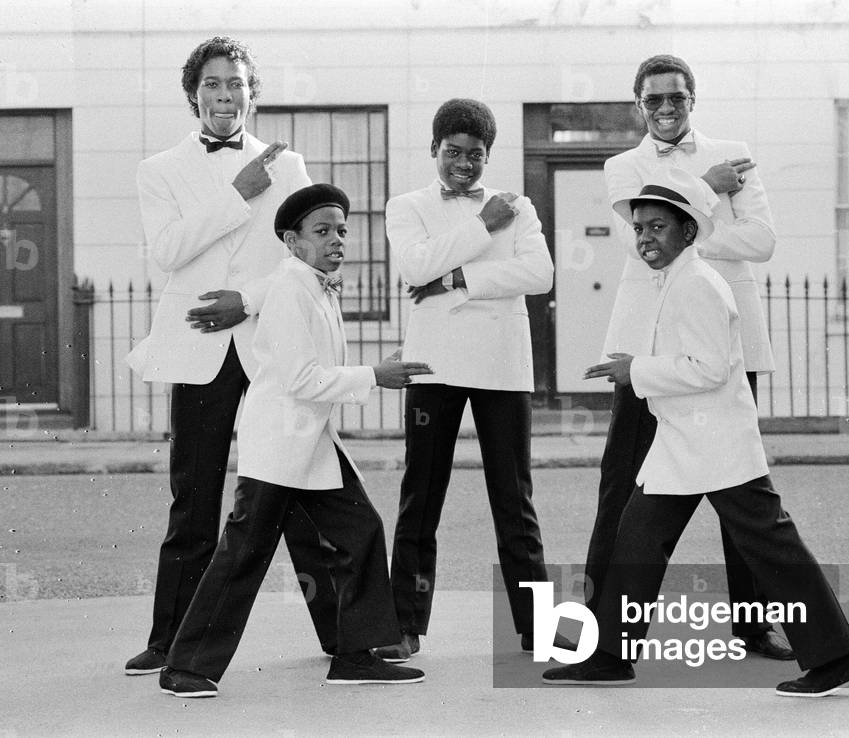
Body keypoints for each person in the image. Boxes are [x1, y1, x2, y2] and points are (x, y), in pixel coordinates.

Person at [544, 175, 849, 696]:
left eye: (658, 226)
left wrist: (638, 371)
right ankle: (608, 656)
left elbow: (711, 368)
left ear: (689, 231)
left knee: (773, 547)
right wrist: (640, 369)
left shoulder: (697, 283)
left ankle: (837, 658)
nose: (645, 237)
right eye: (639, 227)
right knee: (636, 540)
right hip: (682, 442)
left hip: (717, 444)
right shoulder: (673, 279)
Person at [159, 183, 432, 697]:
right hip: (281, 449)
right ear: (292, 240)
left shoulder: (314, 283)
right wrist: (375, 375)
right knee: (244, 553)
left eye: (342, 230)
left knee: (362, 531)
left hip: (312, 447)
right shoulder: (290, 287)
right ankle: (185, 669)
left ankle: (354, 656)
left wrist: (374, 370)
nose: (337, 240)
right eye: (322, 230)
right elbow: (301, 379)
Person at [124, 36, 342, 675]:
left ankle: (338, 634)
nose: (226, 96)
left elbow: (297, 257)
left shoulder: (289, 164)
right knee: (193, 497)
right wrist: (240, 191)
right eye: (214, 85)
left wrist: (245, 300)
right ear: (194, 93)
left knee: (298, 484)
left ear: (253, 93)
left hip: (274, 341)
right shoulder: (158, 169)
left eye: (237, 85)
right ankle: (171, 640)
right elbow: (168, 252)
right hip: (198, 347)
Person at [583, 53, 791, 660]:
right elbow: (634, 240)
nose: (666, 108)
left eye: (677, 97)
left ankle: (753, 626)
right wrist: (707, 191)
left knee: (738, 484)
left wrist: (685, 231)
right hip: (644, 343)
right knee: (621, 482)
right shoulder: (622, 165)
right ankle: (599, 628)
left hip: (724, 334)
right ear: (639, 104)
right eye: (654, 100)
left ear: (692, 98)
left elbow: (764, 241)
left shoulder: (735, 150)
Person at [374, 98, 566, 661]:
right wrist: (484, 227)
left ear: (489, 155)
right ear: (434, 149)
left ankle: (539, 629)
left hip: (502, 366)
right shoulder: (406, 205)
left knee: (514, 500)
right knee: (421, 495)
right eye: (453, 152)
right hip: (434, 365)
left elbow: (539, 273)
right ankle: (404, 625)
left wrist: (458, 275)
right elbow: (415, 266)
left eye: (475, 155)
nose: (464, 164)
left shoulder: (519, 205)